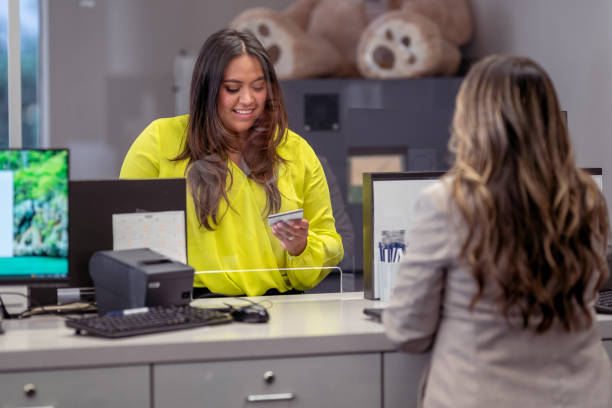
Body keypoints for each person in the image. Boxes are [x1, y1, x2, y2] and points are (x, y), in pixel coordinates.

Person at [383, 55, 612, 407]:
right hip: (581, 395)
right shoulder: (586, 198)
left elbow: (407, 330)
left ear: (471, 121)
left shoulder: (448, 202)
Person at [119, 28, 343, 297]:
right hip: (191, 308)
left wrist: (302, 247)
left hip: (281, 312)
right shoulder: (159, 142)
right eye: (233, 88)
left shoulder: (296, 151)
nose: (248, 100)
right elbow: (124, 238)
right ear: (208, 90)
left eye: (258, 87)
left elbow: (331, 243)